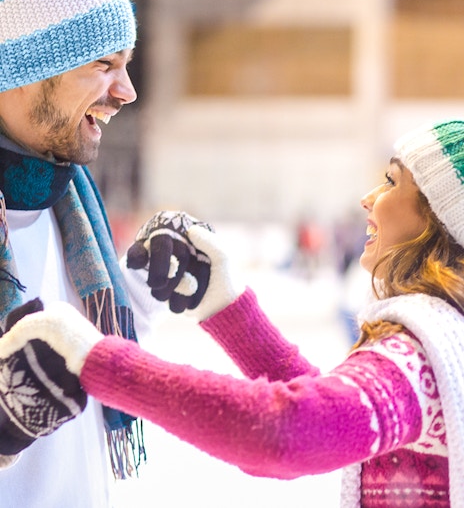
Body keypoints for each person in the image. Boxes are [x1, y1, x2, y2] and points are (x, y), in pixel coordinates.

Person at [9, 117, 464, 507]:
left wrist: (97, 359)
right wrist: (228, 308)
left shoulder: (418, 358)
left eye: (390, 181)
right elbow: (329, 410)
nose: (368, 197)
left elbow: (288, 432)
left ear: (439, 215)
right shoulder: (446, 337)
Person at [0, 0, 170, 508]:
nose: (126, 91)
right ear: (18, 70)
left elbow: (83, 368)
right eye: (104, 65)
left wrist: (144, 292)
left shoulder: (68, 201)